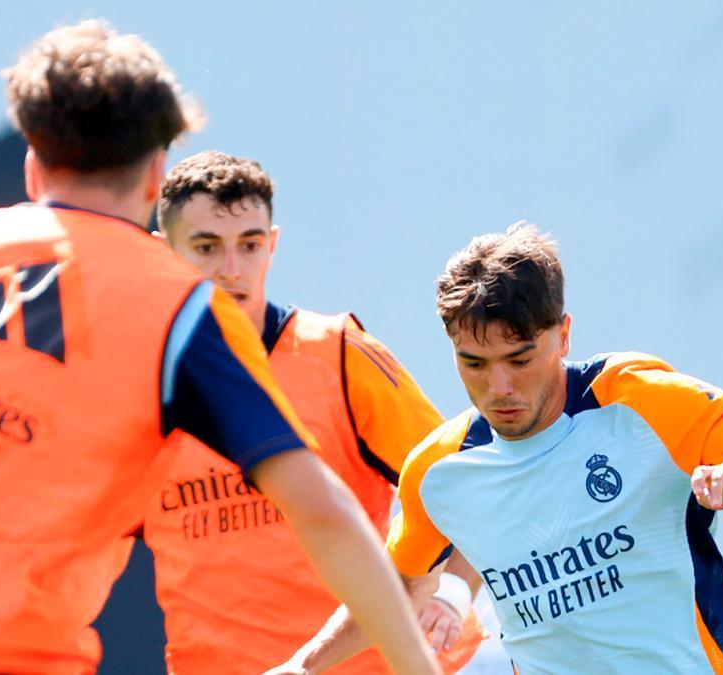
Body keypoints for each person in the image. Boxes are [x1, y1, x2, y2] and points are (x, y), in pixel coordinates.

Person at [0, 21, 437, 675]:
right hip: (13, 656)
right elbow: (321, 510)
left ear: (33, 168)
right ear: (157, 178)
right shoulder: (176, 306)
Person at [271, 222, 723, 674]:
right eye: (473, 364)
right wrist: (302, 666)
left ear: (563, 334)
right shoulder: (440, 471)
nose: (497, 388)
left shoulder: (638, 401)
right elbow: (396, 586)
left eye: (520, 359)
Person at [145, 150, 486, 674]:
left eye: (250, 245)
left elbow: (480, 492)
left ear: (272, 246)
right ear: (162, 253)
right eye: (206, 247)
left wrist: (454, 596)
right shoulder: (139, 388)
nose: (232, 270)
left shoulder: (339, 354)